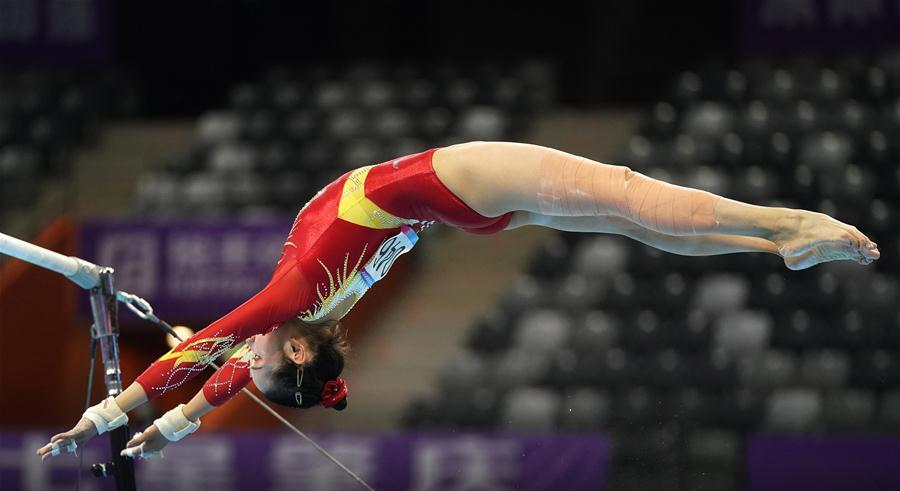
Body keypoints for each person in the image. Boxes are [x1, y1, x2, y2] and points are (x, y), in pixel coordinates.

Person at [37, 141, 880, 460]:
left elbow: (211, 370)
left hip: (466, 212)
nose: (241, 352)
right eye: (257, 355)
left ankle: (776, 242)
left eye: (249, 357)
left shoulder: (309, 318)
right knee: (625, 192)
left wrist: (155, 428)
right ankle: (786, 224)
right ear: (295, 349)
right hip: (453, 181)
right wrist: (111, 415)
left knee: (630, 222)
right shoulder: (295, 300)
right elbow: (202, 355)